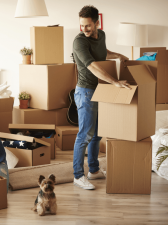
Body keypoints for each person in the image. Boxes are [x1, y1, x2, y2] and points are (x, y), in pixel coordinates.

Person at [72, 5, 131, 190]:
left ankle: (94, 170)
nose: (84, 29)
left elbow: (102, 53)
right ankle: (78, 175)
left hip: (99, 90)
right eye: (82, 25)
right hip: (86, 92)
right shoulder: (79, 41)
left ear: (97, 23)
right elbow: (93, 66)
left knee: (97, 134)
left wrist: (118, 55)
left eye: (88, 25)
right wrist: (115, 82)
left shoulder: (102, 35)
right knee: (85, 135)